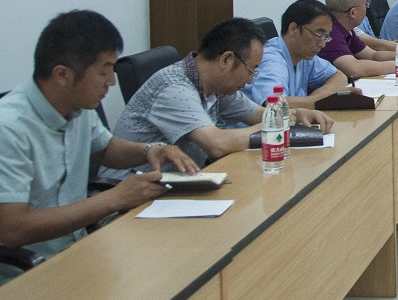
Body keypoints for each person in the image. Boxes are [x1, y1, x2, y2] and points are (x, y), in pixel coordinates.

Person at [0, 11, 199, 283]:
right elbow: (14, 229)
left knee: (175, 269)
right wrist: (113, 199)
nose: (112, 81)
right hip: (28, 275)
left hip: (80, 249)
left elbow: (105, 148)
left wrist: (149, 150)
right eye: (103, 72)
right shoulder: (9, 128)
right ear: (62, 75)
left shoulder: (78, 106)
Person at [102, 18, 333, 181]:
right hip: (131, 194)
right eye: (251, 69)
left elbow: (259, 115)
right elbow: (216, 144)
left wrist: (295, 115)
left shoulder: (217, 87)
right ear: (226, 60)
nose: (251, 80)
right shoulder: (174, 88)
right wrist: (275, 123)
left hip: (179, 184)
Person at [246, 0, 355, 108]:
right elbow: (273, 103)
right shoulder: (273, 62)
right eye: (319, 35)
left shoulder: (303, 55)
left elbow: (339, 77)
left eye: (326, 37)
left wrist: (314, 99)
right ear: (293, 29)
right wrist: (324, 100)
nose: (323, 44)